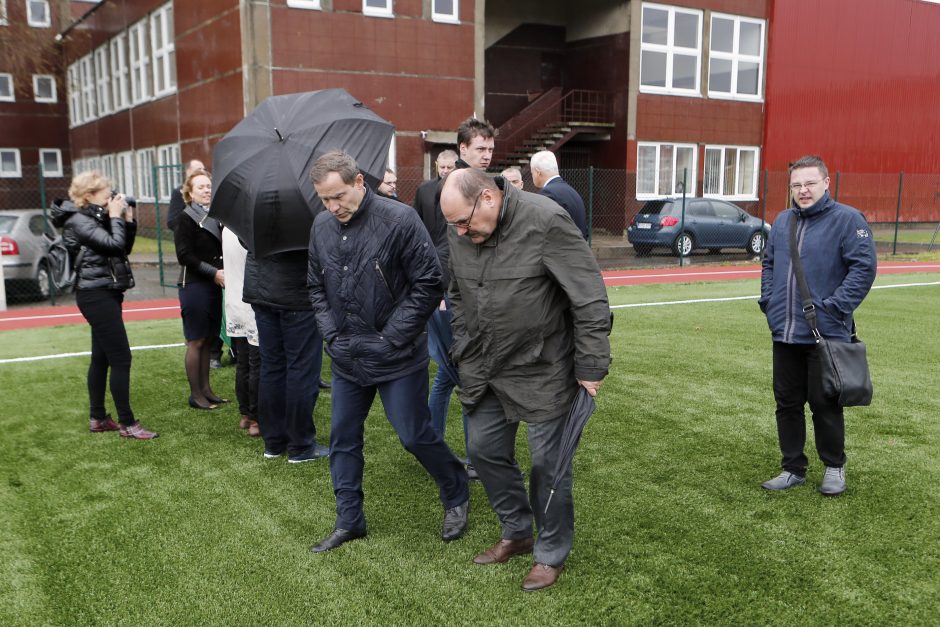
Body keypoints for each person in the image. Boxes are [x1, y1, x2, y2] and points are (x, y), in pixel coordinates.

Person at [440, 168, 611, 591]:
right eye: (453, 225)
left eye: (465, 221)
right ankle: (516, 531)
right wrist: (463, 342)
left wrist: (591, 365)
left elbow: (588, 296)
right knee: (483, 451)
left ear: (488, 197)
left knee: (546, 465)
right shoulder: (461, 230)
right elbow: (457, 293)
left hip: (544, 365)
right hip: (484, 364)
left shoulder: (546, 220)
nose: (460, 232)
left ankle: (550, 553)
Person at [306, 151, 470, 553]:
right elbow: (314, 286)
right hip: (346, 356)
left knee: (414, 435)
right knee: (343, 438)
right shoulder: (321, 226)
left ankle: (456, 491)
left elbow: (430, 283)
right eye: (324, 199)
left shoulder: (399, 219)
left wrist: (390, 338)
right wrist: (331, 335)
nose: (333, 207)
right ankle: (349, 521)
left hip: (396, 356)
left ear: (360, 182)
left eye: (339, 196)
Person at [758, 155, 876, 497]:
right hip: (785, 331)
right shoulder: (782, 221)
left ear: (826, 182)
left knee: (825, 403)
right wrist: (770, 302)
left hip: (826, 334)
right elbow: (769, 264)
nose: (803, 190)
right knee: (787, 403)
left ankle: (834, 467)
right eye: (796, 185)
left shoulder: (848, 220)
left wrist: (836, 308)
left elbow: (863, 269)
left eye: (810, 183)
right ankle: (792, 467)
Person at [50, 171, 158, 439]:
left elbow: (123, 249)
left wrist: (127, 220)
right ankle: (128, 424)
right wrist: (114, 216)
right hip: (95, 293)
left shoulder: (92, 217)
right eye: (106, 193)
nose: (112, 196)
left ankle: (97, 418)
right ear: (89, 196)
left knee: (101, 357)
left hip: (105, 291)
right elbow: (113, 245)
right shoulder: (78, 221)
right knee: (121, 357)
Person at [242, 246, 329, 463]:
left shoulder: (254, 212)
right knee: (301, 371)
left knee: (272, 368)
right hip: (296, 295)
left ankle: (274, 442)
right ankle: (300, 445)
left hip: (263, 291)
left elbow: (247, 242)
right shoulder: (307, 214)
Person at [174, 169, 227, 410]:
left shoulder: (216, 215)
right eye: (201, 187)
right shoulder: (185, 218)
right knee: (196, 341)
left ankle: (206, 390)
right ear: (190, 193)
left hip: (212, 285)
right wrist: (214, 273)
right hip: (194, 285)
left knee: (208, 339)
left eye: (208, 186)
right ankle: (196, 395)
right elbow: (184, 256)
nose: (206, 190)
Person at [222, 227, 260, 437]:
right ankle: (256, 418)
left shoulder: (227, 226)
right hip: (251, 302)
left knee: (244, 363)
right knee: (256, 364)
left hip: (235, 300)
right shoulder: (247, 227)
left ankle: (246, 414)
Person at [530, 151, 589, 239]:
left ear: (538, 173)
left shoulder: (548, 193)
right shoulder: (571, 191)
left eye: (532, 173)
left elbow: (543, 230)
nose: (532, 176)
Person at [166, 159, 206, 232]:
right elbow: (171, 222)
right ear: (188, 171)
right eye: (199, 169)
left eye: (204, 169)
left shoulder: (208, 192)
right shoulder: (179, 192)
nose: (203, 171)